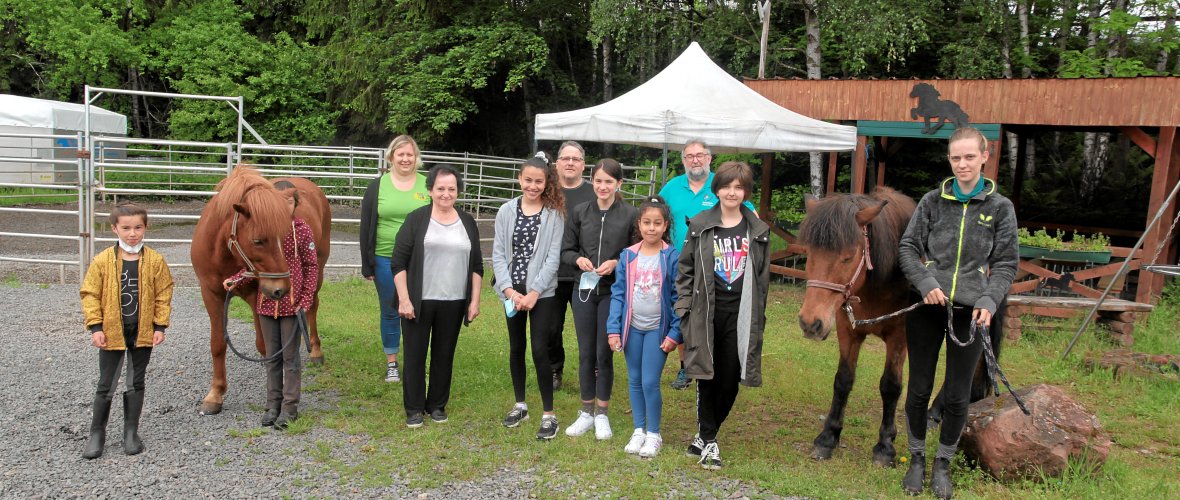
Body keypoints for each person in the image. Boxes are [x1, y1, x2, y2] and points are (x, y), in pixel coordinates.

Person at [897, 126, 1018, 499]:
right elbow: (907, 247)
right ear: (949, 160)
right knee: (918, 389)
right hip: (928, 309)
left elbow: (1006, 263)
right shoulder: (933, 201)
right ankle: (916, 458)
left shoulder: (1000, 208)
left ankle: (943, 464)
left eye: (969, 156)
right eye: (956, 157)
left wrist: (989, 300)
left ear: (984, 157)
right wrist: (925, 282)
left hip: (971, 314)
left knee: (956, 394)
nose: (962, 164)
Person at [675, 161, 770, 470]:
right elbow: (685, 270)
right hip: (705, 311)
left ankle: (705, 435)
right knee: (706, 374)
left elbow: (763, 278)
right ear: (717, 189)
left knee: (730, 379)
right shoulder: (700, 223)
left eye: (739, 187)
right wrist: (684, 308)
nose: (732, 192)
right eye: (727, 185)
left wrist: (759, 316)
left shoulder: (757, 230)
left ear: (746, 192)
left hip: (740, 315)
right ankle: (710, 440)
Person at [391, 164, 484, 428]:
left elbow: (476, 265)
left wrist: (474, 300)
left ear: (458, 191)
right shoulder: (416, 219)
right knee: (415, 355)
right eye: (440, 188)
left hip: (454, 301)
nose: (446, 193)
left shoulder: (467, 222)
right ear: (430, 190)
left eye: (451, 188)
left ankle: (437, 405)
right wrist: (404, 299)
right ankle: (414, 408)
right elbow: (398, 263)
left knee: (444, 354)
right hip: (419, 301)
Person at [658, 140, 756, 390]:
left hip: (717, 268)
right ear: (683, 160)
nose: (695, 160)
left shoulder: (722, 184)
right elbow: (656, 217)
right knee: (684, 313)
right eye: (689, 156)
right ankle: (685, 366)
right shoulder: (671, 187)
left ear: (709, 158)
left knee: (710, 318)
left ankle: (714, 363)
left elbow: (751, 215)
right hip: (681, 264)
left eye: (700, 155)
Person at [79, 201, 174, 459]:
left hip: (142, 331)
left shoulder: (155, 261)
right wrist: (95, 326)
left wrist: (160, 325)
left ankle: (131, 432)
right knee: (106, 383)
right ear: (114, 229)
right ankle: (97, 433)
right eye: (126, 228)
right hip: (111, 331)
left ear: (146, 227)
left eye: (138, 227)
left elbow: (164, 293)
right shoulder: (102, 261)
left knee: (135, 381)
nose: (132, 233)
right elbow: (90, 293)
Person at [224, 182, 319, 431]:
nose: (285, 207)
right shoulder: (266, 230)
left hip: (292, 303)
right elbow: (255, 265)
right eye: (281, 202)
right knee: (271, 356)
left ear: (296, 204)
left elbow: (311, 266)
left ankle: (290, 407)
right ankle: (272, 404)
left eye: (290, 202)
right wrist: (236, 280)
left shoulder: (301, 230)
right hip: (266, 304)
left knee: (291, 358)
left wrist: (306, 299)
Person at [560, 159, 638, 440]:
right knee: (586, 352)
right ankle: (585, 412)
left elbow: (637, 251)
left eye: (608, 181)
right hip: (583, 289)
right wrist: (577, 258)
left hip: (613, 292)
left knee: (604, 353)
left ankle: (602, 414)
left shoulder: (631, 214)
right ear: (592, 181)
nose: (602, 186)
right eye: (598, 181)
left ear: (619, 184)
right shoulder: (580, 212)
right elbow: (566, 250)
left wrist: (617, 262)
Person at [492, 152, 566, 440]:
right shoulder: (506, 211)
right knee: (516, 348)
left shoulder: (553, 215)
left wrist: (534, 292)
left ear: (546, 182)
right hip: (512, 290)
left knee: (539, 350)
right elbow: (498, 253)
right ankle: (520, 404)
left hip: (541, 294)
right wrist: (509, 290)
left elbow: (552, 257)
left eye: (538, 181)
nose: (532, 186)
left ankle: (549, 414)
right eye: (528, 180)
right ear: (519, 179)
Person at [607, 196, 681, 458]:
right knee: (635, 380)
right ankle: (639, 429)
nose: (651, 228)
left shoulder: (672, 256)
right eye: (647, 222)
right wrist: (613, 329)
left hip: (657, 330)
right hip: (632, 329)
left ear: (665, 226)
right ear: (639, 224)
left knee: (650, 381)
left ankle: (654, 433)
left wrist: (675, 333)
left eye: (657, 223)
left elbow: (679, 298)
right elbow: (619, 294)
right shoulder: (628, 256)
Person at [360, 135, 431, 383]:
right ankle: (392, 362)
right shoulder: (377, 187)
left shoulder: (428, 185)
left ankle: (415, 359)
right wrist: (366, 262)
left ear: (416, 158)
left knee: (419, 309)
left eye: (410, 154)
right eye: (400, 154)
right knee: (391, 310)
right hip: (385, 258)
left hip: (420, 260)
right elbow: (367, 224)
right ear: (391, 157)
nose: (405, 159)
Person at [550, 141, 596, 392]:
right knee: (550, 328)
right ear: (556, 163)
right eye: (565, 158)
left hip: (584, 274)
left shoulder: (594, 193)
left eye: (575, 159)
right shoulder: (546, 191)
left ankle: (592, 370)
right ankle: (554, 369)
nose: (570, 163)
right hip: (552, 273)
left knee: (588, 327)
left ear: (583, 165)